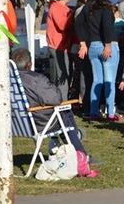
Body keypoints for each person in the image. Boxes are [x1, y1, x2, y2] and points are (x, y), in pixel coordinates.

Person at [10, 48, 95, 176]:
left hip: (16, 123)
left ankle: (67, 140)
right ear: (29, 64)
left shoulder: (6, 80)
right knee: (65, 112)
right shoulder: (35, 79)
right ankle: (80, 153)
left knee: (62, 114)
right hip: (40, 123)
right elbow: (56, 99)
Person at [85, 0, 121, 121]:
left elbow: (80, 25)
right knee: (109, 81)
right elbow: (107, 26)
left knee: (97, 80)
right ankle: (110, 113)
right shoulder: (105, 9)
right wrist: (108, 45)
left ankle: (94, 111)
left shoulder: (88, 9)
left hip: (93, 45)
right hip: (106, 45)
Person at [46, 0, 75, 99]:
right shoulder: (56, 7)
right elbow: (62, 25)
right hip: (58, 46)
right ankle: (62, 103)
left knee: (64, 74)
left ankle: (62, 100)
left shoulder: (58, 7)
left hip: (62, 46)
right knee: (63, 75)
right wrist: (72, 17)